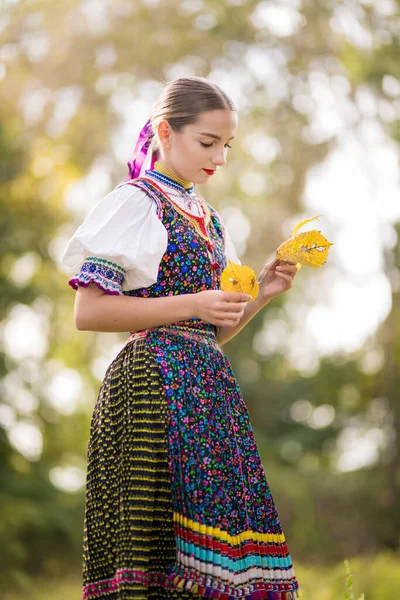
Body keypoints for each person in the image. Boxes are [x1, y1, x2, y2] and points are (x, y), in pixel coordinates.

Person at [61, 76, 300, 600]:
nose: (220, 158)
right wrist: (194, 303)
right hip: (149, 386)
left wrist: (261, 291)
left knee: (218, 547)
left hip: (206, 386)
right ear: (166, 133)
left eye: (227, 146)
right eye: (208, 143)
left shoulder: (211, 220)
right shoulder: (135, 202)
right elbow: (89, 310)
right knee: (159, 549)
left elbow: (211, 333)